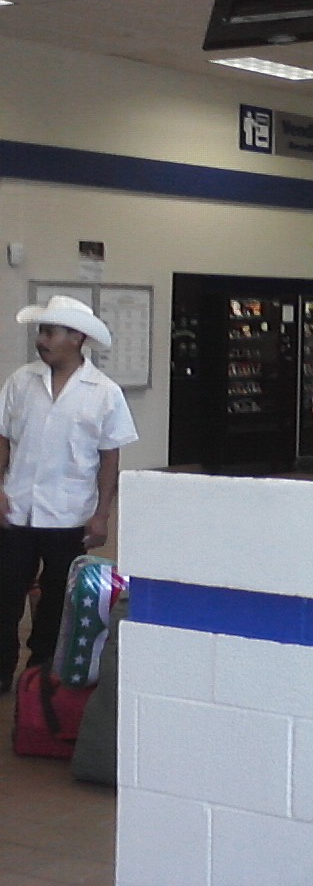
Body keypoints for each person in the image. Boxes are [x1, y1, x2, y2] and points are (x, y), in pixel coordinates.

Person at [0, 296, 137, 695]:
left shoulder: (104, 392)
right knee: (6, 595)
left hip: (70, 515)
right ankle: (1, 670)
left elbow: (110, 457)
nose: (42, 339)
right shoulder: (20, 381)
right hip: (18, 511)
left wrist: (102, 515)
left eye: (50, 331)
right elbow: (3, 440)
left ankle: (40, 669)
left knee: (59, 600)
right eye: (41, 331)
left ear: (77, 337)